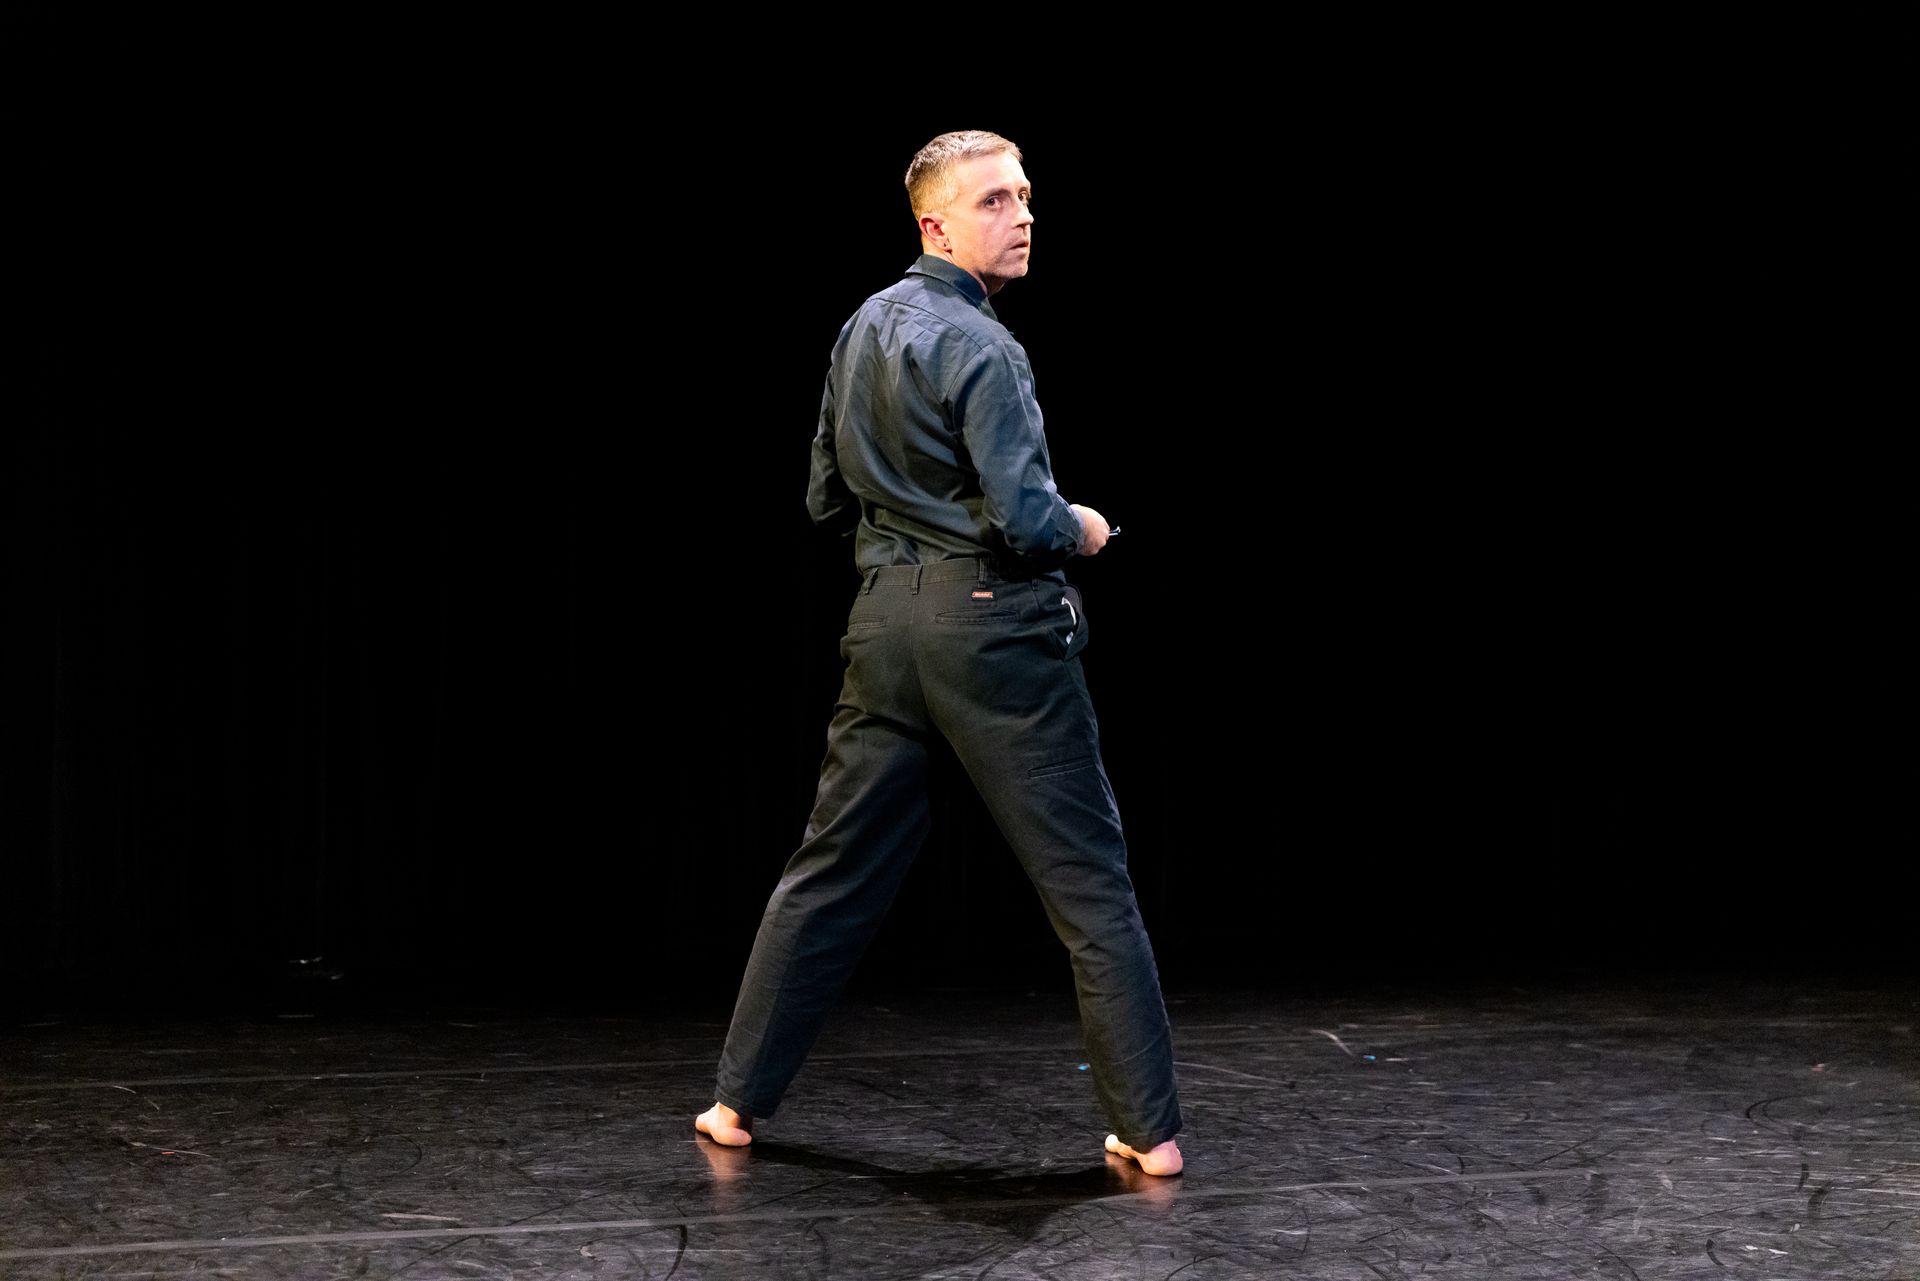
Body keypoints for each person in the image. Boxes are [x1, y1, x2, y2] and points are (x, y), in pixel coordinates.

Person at [695, 131, 1183, 1176]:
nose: (1025, 215)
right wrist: (1082, 526)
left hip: (886, 626)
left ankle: (734, 1105)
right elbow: (1025, 521)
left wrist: (907, 528)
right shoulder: (987, 347)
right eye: (998, 201)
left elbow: (824, 498)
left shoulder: (863, 327)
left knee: (826, 873)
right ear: (937, 224)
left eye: (1028, 196)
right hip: (992, 631)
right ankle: (1150, 1131)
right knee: (1090, 887)